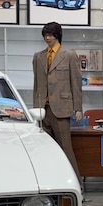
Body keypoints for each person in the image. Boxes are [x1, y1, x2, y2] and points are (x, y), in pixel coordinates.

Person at [32, 22, 84, 191]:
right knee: (45, 150)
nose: (48, 38)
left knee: (66, 149)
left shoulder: (69, 55)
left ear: (57, 36)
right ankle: (51, 185)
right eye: (46, 35)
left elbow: (76, 83)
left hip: (61, 109)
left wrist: (78, 108)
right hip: (42, 110)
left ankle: (77, 187)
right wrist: (35, 108)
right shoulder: (38, 57)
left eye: (51, 35)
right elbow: (37, 85)